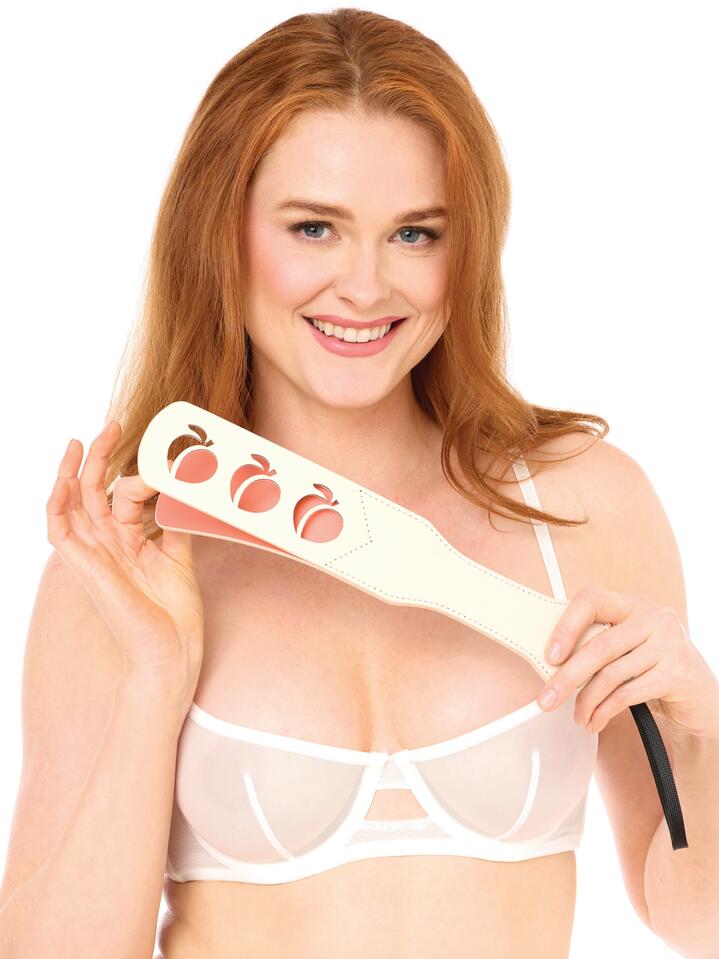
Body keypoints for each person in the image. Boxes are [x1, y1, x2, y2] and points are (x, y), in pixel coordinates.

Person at [0, 8, 697, 958]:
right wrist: (153, 680)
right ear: (220, 234)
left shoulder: (579, 505)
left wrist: (700, 726)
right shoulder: (132, 561)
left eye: (414, 233)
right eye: (314, 227)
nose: (365, 287)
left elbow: (690, 912)